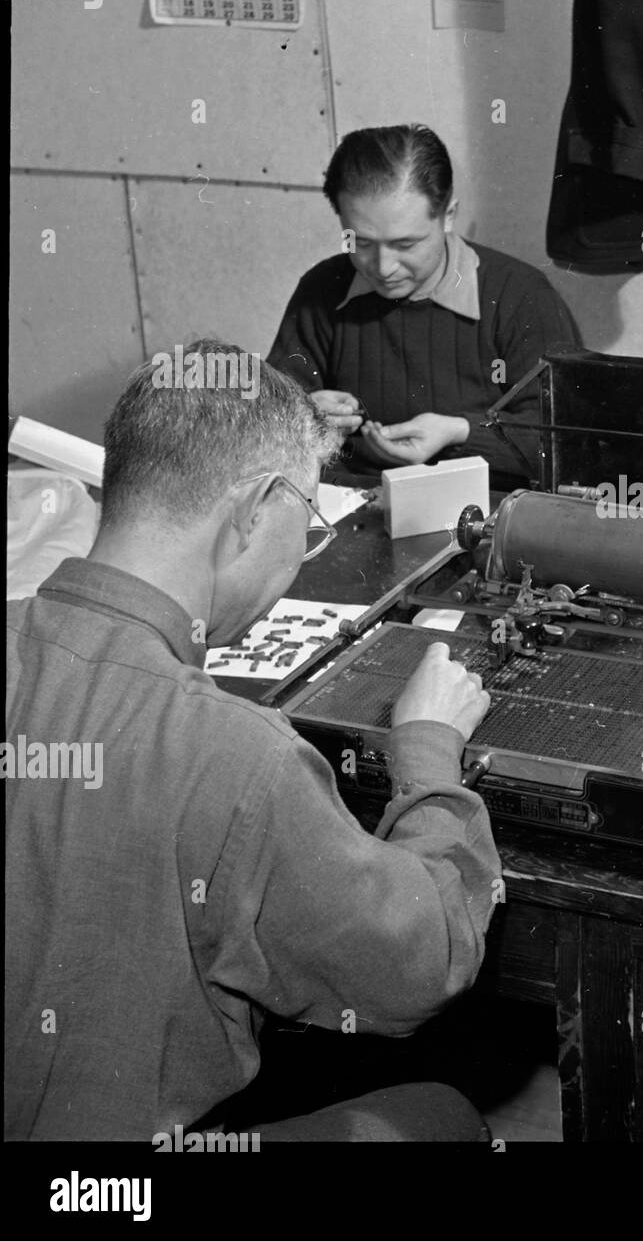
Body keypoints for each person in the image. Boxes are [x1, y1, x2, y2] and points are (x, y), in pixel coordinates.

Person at [5, 341, 499, 1142]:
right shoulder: (241, 757)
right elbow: (417, 971)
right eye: (304, 519)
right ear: (254, 509)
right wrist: (429, 757)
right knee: (442, 1119)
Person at [268, 123, 582, 487]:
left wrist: (460, 432)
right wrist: (299, 416)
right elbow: (261, 430)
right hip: (350, 508)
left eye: (405, 244)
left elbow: (569, 441)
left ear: (449, 214)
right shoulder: (322, 290)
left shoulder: (520, 295)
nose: (383, 268)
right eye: (362, 243)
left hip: (486, 511)